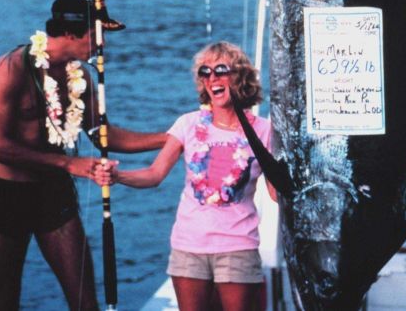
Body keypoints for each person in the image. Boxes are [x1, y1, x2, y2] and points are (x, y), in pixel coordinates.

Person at [0, 0, 167, 311]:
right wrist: (69, 164)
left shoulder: (80, 77)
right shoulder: (9, 69)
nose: (101, 44)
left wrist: (171, 137)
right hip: (7, 195)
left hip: (54, 195)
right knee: (2, 304)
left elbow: (102, 135)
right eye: (95, 34)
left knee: (85, 303)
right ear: (69, 32)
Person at [93, 41, 277, 311]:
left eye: (221, 70)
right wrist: (117, 176)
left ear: (240, 76)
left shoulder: (265, 131)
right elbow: (154, 174)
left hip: (238, 245)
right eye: (205, 72)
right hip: (188, 246)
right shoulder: (187, 124)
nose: (212, 78)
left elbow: (276, 194)